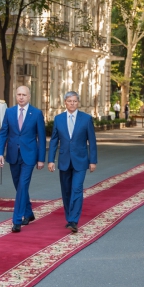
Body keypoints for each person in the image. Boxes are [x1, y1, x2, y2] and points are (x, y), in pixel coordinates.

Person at [0, 86, 46, 233]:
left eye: (24, 94)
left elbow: (41, 138)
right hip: (13, 154)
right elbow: (3, 134)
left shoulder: (36, 113)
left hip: (29, 156)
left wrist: (41, 158)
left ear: (29, 96)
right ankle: (29, 213)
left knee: (23, 186)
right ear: (15, 96)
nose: (21, 97)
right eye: (19, 94)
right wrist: (0, 153)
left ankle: (17, 220)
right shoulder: (9, 112)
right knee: (19, 186)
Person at [48, 91, 98, 233]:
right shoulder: (58, 119)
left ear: (78, 103)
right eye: (69, 101)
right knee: (66, 191)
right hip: (64, 161)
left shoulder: (86, 119)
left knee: (77, 189)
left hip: (81, 161)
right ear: (65, 102)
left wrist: (92, 160)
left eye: (75, 101)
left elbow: (92, 141)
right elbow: (53, 141)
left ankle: (73, 220)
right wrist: (51, 160)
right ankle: (69, 217)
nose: (72, 104)